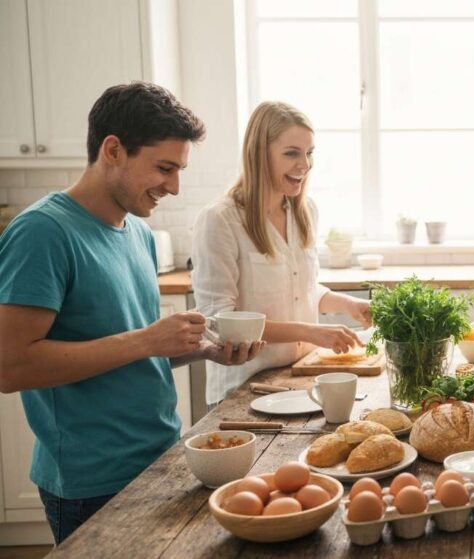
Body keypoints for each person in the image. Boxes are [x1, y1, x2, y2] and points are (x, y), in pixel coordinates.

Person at [0, 82, 265, 545]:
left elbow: (130, 350)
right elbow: (10, 365)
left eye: (179, 170)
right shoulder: (42, 233)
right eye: (164, 168)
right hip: (90, 483)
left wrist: (201, 351)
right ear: (113, 150)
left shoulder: (138, 235)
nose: (175, 186)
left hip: (160, 459)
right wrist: (147, 340)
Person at [191, 101, 371, 405]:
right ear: (259, 154)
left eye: (309, 153)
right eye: (291, 153)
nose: (304, 164)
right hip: (244, 389)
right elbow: (221, 322)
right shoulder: (221, 219)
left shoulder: (304, 212)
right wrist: (313, 333)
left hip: (300, 379)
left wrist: (346, 304)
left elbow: (300, 288)